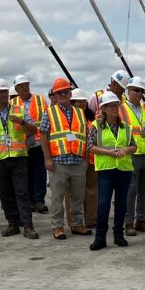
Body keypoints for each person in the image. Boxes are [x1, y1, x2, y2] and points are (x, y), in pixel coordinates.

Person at [0, 78, 39, 239]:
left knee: (22, 193)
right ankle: (12, 224)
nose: (4, 94)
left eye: (5, 91)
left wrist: (22, 121)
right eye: (0, 92)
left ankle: (27, 226)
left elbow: (33, 130)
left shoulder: (19, 109)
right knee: (4, 194)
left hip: (18, 158)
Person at [40, 78, 90, 239]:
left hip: (77, 161)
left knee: (78, 196)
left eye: (66, 92)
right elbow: (43, 136)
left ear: (70, 93)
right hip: (58, 162)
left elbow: (86, 136)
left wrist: (85, 159)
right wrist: (47, 159)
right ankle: (57, 226)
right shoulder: (49, 112)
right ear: (55, 95)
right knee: (57, 197)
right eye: (59, 93)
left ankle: (77, 224)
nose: (63, 95)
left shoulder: (79, 113)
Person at [88, 91, 136, 251]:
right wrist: (109, 153)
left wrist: (126, 149)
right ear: (103, 109)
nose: (115, 108)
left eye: (116, 105)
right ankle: (100, 238)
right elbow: (90, 147)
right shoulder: (96, 126)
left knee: (121, 204)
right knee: (103, 205)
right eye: (111, 106)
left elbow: (134, 146)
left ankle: (118, 236)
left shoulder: (126, 127)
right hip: (106, 169)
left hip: (124, 169)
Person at [11, 74, 49, 214]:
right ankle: (29, 202)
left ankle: (39, 201)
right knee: (25, 175)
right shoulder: (13, 103)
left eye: (26, 85)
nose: (24, 88)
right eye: (21, 87)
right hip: (22, 145)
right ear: (16, 89)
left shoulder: (40, 100)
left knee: (39, 174)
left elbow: (46, 119)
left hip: (38, 143)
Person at [122, 77, 145, 236]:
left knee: (144, 190)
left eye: (141, 91)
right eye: (136, 90)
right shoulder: (121, 109)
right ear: (128, 90)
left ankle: (140, 220)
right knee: (131, 190)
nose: (139, 93)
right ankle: (128, 222)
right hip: (131, 155)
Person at [65, 89, 98, 228]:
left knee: (91, 191)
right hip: (74, 160)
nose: (81, 103)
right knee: (73, 192)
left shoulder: (92, 119)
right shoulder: (68, 118)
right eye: (77, 101)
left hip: (91, 160)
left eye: (83, 101)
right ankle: (74, 222)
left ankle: (90, 220)